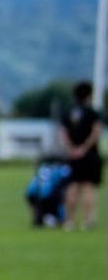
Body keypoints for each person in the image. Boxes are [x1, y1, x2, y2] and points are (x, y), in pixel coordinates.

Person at [59, 81, 102, 231]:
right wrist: (84, 148)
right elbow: (96, 132)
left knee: (72, 186)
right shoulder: (92, 112)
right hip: (89, 155)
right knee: (88, 187)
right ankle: (87, 221)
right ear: (89, 95)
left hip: (72, 155)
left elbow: (63, 133)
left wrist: (71, 148)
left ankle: (69, 221)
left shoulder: (68, 111)